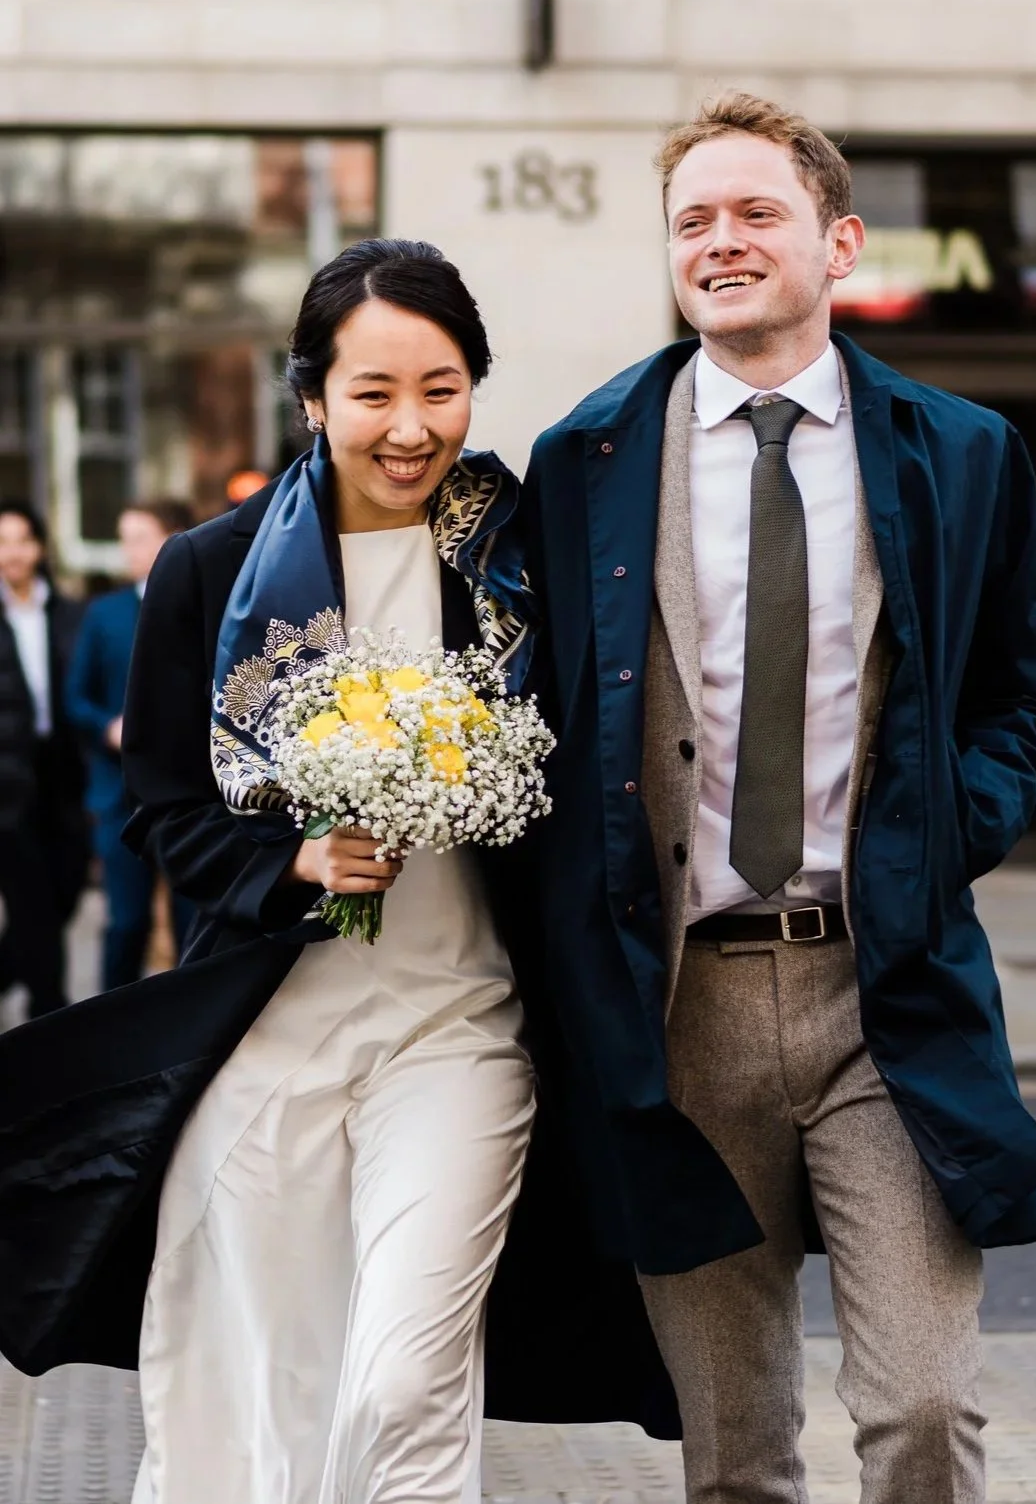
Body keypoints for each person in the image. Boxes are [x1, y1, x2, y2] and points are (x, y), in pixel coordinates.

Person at [0, 239, 674, 1503]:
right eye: (373, 393)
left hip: (459, 1026)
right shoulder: (210, 568)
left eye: (442, 387)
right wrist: (291, 855)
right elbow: (159, 806)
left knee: (404, 1383)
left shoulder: (521, 564)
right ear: (309, 396)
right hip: (269, 1035)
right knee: (255, 1388)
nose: (410, 426)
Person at [521, 93, 1036, 1504]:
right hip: (674, 1011)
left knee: (921, 1409)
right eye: (690, 220)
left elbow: (1022, 696)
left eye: (753, 211)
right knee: (734, 1456)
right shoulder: (583, 460)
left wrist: (957, 825)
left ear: (836, 241)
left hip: (878, 994)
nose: (718, 241)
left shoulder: (954, 454)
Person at [66, 499, 196, 990]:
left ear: (174, 538)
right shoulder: (104, 614)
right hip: (119, 796)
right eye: (124, 539)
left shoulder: (202, 603)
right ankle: (109, 1036)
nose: (129, 551)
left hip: (188, 795)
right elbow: (76, 698)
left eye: (139, 538)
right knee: (126, 924)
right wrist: (107, 727)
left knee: (194, 924)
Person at [0, 500, 88, 1019]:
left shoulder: (70, 612)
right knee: (32, 898)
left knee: (67, 888)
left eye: (19, 540)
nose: (11, 553)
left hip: (64, 769)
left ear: (38, 548)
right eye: (2, 542)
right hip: (7, 778)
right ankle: (49, 1010)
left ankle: (16, 972)